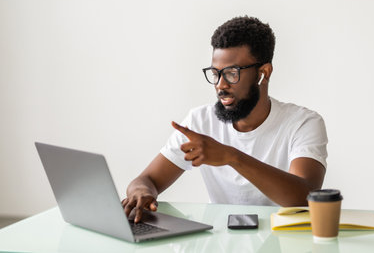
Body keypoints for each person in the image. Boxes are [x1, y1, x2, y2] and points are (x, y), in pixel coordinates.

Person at [122, 16, 328, 223]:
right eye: (215, 74)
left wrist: (231, 156)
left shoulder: (303, 123)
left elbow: (305, 197)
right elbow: (146, 180)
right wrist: (141, 192)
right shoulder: (200, 121)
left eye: (231, 73)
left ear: (263, 73)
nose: (220, 85)